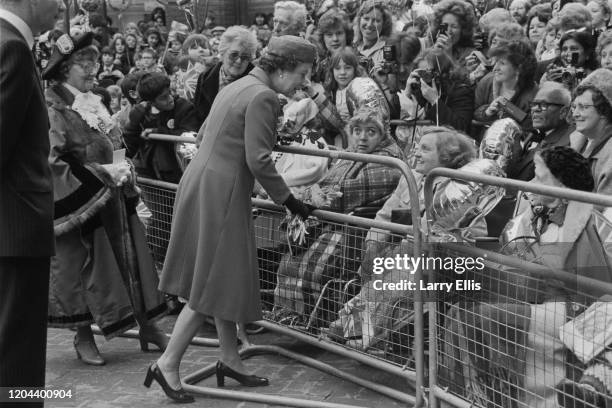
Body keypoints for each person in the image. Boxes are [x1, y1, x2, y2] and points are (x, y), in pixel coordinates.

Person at [146, 36, 317, 403]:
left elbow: (207, 134)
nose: (301, 83)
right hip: (223, 189)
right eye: (301, 74)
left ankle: (229, 358)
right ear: (283, 68)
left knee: (215, 274)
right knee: (209, 280)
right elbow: (258, 159)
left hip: (202, 181)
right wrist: (290, 201)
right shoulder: (263, 96)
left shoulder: (238, 84)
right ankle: (168, 362)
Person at [441, 146, 611, 408]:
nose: (530, 184)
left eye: (540, 178)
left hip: (577, 311)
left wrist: (479, 268)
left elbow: (547, 285)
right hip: (540, 302)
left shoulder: (583, 221)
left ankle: (495, 398)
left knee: (480, 314)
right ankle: (466, 397)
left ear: (562, 190)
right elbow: (514, 264)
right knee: (460, 310)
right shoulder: (535, 215)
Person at [42, 31, 169, 367]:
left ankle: (148, 327)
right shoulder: (53, 107)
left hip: (114, 196)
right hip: (82, 203)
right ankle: (83, 337)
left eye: (94, 61)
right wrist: (100, 175)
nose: (93, 69)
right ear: (64, 69)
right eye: (85, 64)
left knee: (133, 263)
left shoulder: (93, 100)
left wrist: (122, 166)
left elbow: (111, 140)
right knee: (80, 272)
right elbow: (53, 161)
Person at [0, 0, 61, 403]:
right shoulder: (12, 47)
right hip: (15, 223)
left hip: (12, 222)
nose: (60, 6)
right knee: (16, 349)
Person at [124, 72, 200, 183]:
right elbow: (129, 146)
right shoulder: (142, 113)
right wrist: (133, 124)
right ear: (151, 101)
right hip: (149, 174)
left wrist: (159, 133)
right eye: (163, 98)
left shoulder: (184, 108)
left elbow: (189, 135)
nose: (170, 99)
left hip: (180, 174)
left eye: (170, 92)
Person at [401, 48, 475, 133]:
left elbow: (460, 127)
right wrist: (407, 93)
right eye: (421, 72)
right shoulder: (420, 89)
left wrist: (435, 101)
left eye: (428, 72)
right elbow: (400, 121)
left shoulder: (461, 91)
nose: (424, 78)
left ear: (442, 73)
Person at [194, 26, 257, 123]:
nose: (239, 61)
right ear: (222, 52)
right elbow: (197, 116)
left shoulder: (256, 82)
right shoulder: (204, 78)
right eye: (234, 55)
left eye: (245, 57)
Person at [513, 81, 573, 181]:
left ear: (563, 112)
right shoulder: (537, 132)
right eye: (534, 104)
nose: (535, 109)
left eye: (543, 105)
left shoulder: (565, 146)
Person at [474, 41, 538, 129]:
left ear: (519, 68)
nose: (495, 68)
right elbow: (472, 113)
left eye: (502, 63)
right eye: (496, 62)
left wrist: (509, 108)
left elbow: (532, 126)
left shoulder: (533, 94)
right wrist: (486, 112)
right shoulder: (487, 81)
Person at [572, 69, 612, 196]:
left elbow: (604, 211)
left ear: (604, 110)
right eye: (574, 107)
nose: (575, 114)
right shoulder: (577, 141)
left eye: (583, 107)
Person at [429, 0, 477, 67]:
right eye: (445, 25)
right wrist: (434, 56)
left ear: (463, 29)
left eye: (454, 26)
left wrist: (447, 54)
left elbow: (459, 76)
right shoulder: (432, 49)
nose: (449, 31)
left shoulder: (470, 54)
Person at [353, 0, 393, 72]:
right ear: (359, 19)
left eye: (376, 20)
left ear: (384, 24)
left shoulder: (389, 49)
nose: (369, 24)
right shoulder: (353, 45)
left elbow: (390, 81)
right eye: (366, 18)